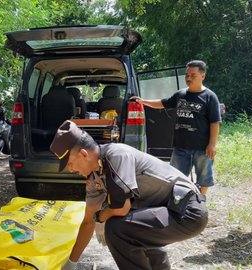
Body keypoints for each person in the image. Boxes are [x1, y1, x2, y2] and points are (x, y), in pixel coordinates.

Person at [52, 120, 208, 270]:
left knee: (117, 227)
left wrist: (101, 217)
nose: (71, 169)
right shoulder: (94, 178)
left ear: (84, 154)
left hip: (187, 210)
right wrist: (71, 262)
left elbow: (121, 208)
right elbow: (88, 222)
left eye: (69, 163)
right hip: (168, 210)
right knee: (134, 226)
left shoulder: (116, 155)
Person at [131, 60, 221, 195]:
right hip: (181, 147)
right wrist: (143, 101)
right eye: (187, 75)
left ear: (203, 76)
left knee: (204, 179)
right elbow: (163, 103)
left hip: (202, 148)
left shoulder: (210, 97)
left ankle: (200, 203)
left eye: (193, 75)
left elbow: (215, 122)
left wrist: (212, 144)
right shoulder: (180, 95)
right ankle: (178, 202)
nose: (188, 78)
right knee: (175, 177)